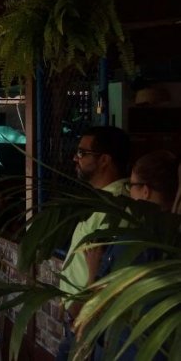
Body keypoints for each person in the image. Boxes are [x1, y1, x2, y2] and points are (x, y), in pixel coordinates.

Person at [80, 150, 179, 361]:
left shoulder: (132, 243)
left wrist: (93, 272)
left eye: (130, 186)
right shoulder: (173, 241)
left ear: (145, 191)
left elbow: (100, 306)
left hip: (123, 349)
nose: (128, 193)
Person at [56, 126, 130, 361]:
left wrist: (82, 309)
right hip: (80, 317)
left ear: (104, 160)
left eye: (82, 152)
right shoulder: (103, 201)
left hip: (87, 320)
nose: (75, 158)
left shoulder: (117, 207)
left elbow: (104, 268)